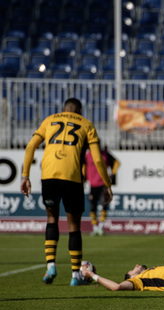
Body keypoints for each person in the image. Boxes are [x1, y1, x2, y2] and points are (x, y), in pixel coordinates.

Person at [20, 98, 113, 286]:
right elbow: (97, 159)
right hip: (72, 177)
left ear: (64, 109)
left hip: (49, 176)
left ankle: (50, 266)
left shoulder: (49, 120)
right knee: (74, 227)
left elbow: (30, 146)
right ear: (80, 111)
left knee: (52, 220)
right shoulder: (86, 124)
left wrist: (25, 176)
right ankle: (74, 276)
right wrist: (108, 185)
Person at [83, 141, 120, 236]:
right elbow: (83, 167)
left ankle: (101, 226)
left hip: (103, 183)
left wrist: (113, 173)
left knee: (104, 204)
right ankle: (94, 227)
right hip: (93, 184)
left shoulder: (105, 154)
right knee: (93, 206)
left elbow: (116, 163)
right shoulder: (87, 155)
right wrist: (84, 178)